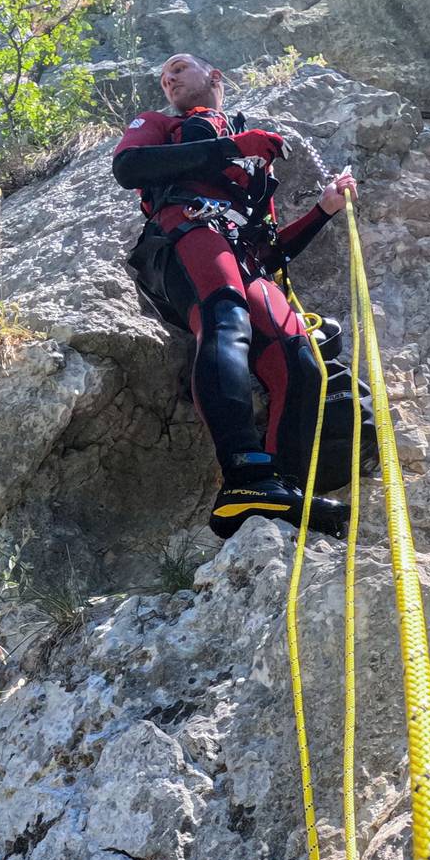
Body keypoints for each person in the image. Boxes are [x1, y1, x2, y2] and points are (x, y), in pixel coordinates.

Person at [113, 52, 374, 540]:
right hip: (187, 230)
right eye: (163, 74)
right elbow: (129, 168)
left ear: (215, 76)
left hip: (244, 257)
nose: (167, 78)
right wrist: (229, 149)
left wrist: (324, 210)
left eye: (178, 68)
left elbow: (270, 250)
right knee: (225, 317)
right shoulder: (159, 124)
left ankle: (282, 486)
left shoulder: (253, 167)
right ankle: (245, 476)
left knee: (302, 361)